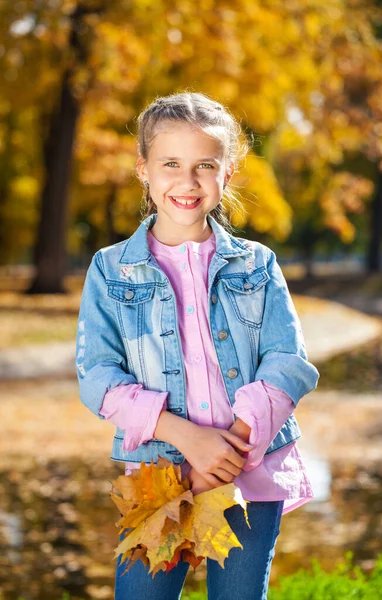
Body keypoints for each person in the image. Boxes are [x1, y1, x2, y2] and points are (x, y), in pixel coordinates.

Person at [75, 91, 320, 600]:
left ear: (227, 173)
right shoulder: (109, 269)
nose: (187, 182)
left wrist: (230, 448)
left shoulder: (257, 264)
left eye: (204, 165)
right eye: (170, 164)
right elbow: (98, 376)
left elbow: (288, 362)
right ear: (144, 169)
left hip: (250, 471)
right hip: (160, 474)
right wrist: (188, 440)